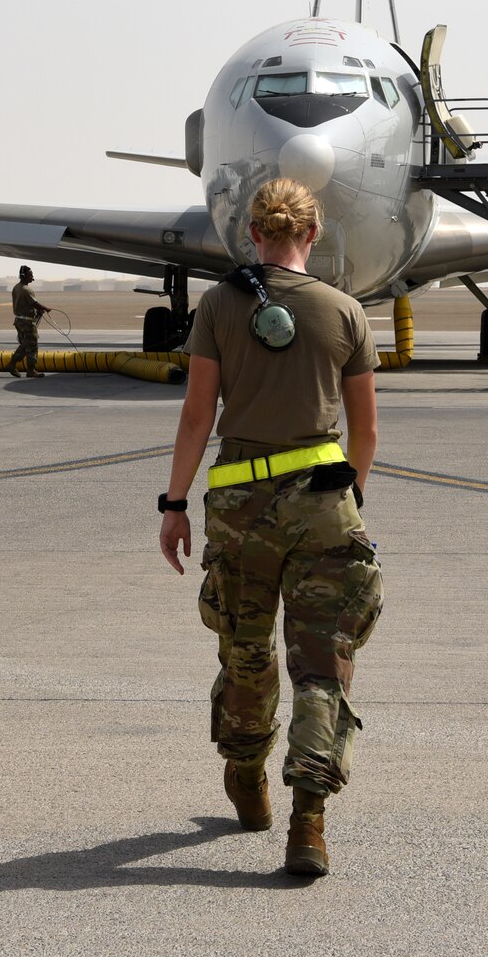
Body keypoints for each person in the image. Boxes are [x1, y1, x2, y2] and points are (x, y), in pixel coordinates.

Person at [158, 178, 383, 877]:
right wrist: (347, 503)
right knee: (323, 666)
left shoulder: (221, 305)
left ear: (253, 234)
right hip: (323, 504)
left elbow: (198, 416)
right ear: (312, 235)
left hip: (239, 507)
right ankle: (308, 824)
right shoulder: (346, 311)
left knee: (247, 652)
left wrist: (172, 504)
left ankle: (248, 779)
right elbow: (366, 432)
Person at [9, 265, 51, 378]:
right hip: (27, 323)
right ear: (24, 276)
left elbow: (25, 305)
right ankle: (30, 370)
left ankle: (12, 365)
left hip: (19, 321)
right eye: (30, 274)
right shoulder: (27, 290)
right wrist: (45, 308)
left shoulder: (16, 287)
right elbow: (34, 304)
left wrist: (37, 313)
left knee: (25, 345)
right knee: (32, 346)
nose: (32, 276)